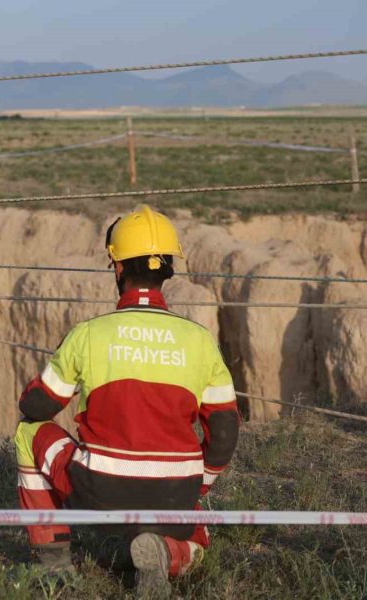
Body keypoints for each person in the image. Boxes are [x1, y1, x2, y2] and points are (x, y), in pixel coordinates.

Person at [14, 205, 240, 596]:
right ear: (168, 269)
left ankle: (55, 565)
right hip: (174, 494)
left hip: (98, 496)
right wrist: (195, 487)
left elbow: (36, 408)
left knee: (28, 433)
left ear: (117, 268)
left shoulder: (88, 334)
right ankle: (166, 554)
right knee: (198, 540)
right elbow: (225, 433)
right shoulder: (200, 341)